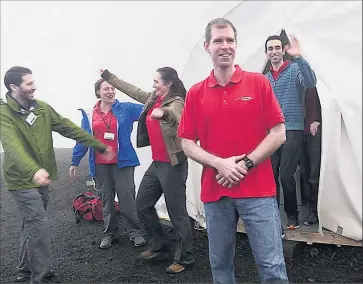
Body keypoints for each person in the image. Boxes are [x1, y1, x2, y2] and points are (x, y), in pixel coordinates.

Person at [178, 18, 288, 284]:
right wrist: (220, 163)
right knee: (220, 266)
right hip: (216, 193)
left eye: (230, 40)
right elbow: (186, 142)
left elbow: (278, 133)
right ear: (207, 46)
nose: (224, 46)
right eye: (218, 40)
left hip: (258, 191)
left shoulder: (258, 84)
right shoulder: (195, 93)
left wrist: (244, 164)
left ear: (236, 46)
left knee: (271, 266)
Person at [0, 66, 114, 283]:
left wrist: (98, 145)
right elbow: (12, 146)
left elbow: (68, 128)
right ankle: (41, 276)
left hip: (42, 178)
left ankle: (25, 270)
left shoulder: (42, 109)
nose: (34, 86)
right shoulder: (4, 113)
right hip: (22, 180)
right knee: (38, 223)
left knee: (31, 224)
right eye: (29, 83)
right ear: (14, 86)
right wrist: (34, 171)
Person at [100, 67, 194, 274]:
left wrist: (165, 113)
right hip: (157, 164)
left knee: (177, 213)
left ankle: (185, 257)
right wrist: (109, 77)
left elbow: (177, 115)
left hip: (173, 165)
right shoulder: (154, 98)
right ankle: (159, 245)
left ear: (169, 83)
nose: (153, 84)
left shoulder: (176, 101)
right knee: (142, 204)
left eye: (157, 81)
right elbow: (133, 90)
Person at [69, 78, 147, 249]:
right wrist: (75, 161)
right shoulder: (89, 114)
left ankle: (135, 232)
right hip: (100, 165)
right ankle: (110, 233)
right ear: (98, 92)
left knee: (127, 198)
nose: (110, 91)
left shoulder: (125, 108)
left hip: (123, 162)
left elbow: (148, 108)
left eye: (112, 88)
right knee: (107, 200)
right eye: (106, 89)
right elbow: (83, 139)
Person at [264, 34, 317, 229]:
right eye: (270, 48)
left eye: (277, 47)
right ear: (266, 53)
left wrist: (299, 57)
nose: (274, 51)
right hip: (270, 133)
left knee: (286, 175)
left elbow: (311, 82)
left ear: (283, 50)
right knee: (270, 176)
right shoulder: (265, 79)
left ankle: (292, 216)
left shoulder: (294, 69)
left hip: (292, 130)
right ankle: (272, 216)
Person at [299, 87, 322, 226]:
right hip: (299, 132)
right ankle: (308, 209)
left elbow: (330, 103)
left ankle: (315, 211)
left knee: (315, 173)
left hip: (315, 134)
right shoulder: (297, 82)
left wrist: (319, 120)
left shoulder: (319, 82)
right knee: (303, 173)